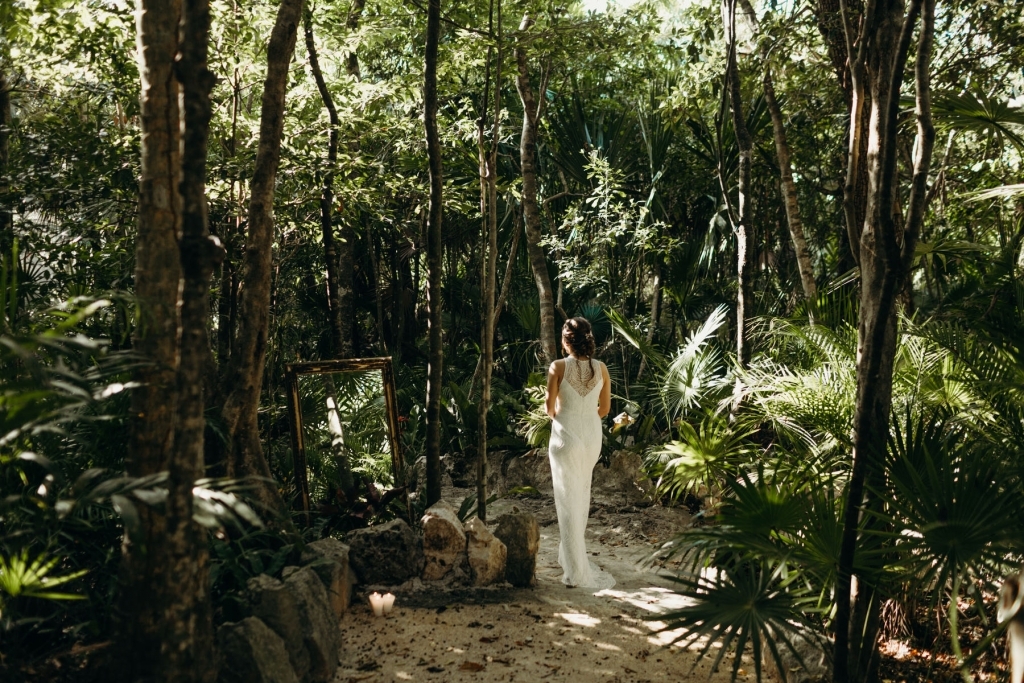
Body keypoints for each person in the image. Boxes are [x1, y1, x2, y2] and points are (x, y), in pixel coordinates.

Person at [545, 317, 615, 589]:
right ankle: (571, 559)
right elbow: (605, 409)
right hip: (591, 438)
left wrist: (564, 416)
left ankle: (574, 572)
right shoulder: (602, 369)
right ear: (589, 340)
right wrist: (586, 418)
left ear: (565, 342)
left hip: (565, 436)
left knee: (566, 501)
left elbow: (549, 408)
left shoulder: (557, 367)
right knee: (581, 496)